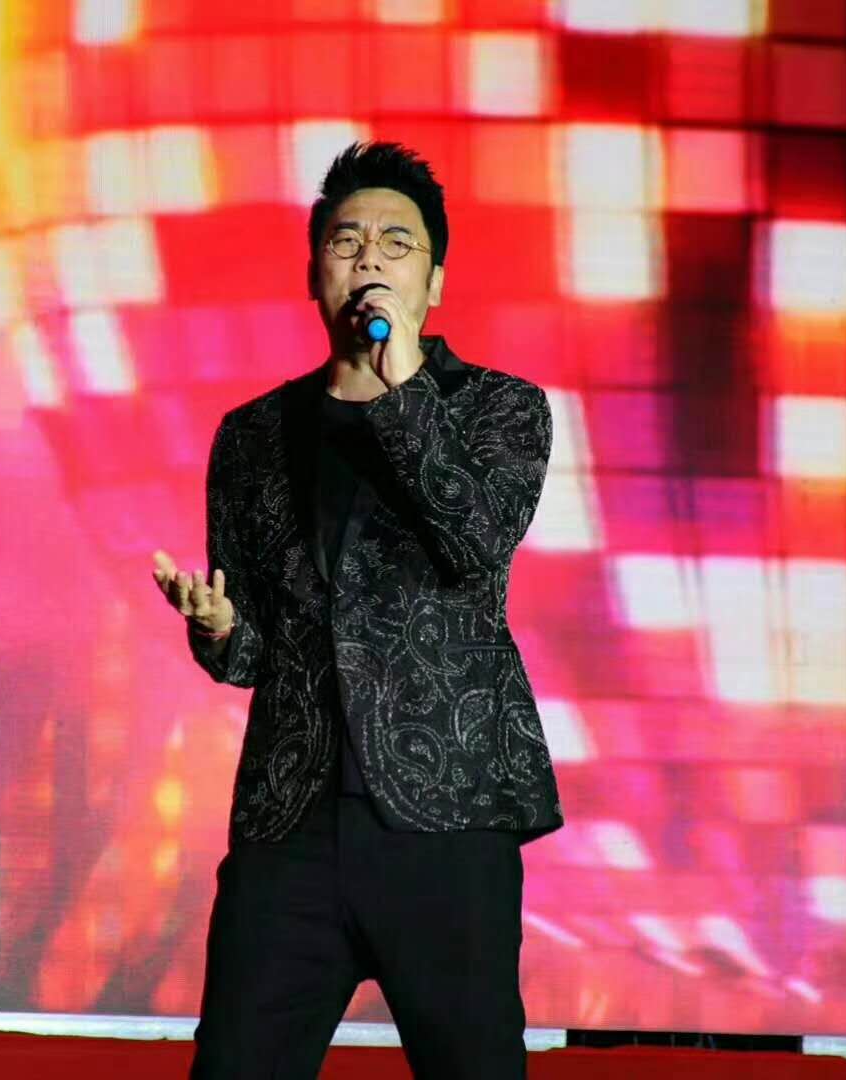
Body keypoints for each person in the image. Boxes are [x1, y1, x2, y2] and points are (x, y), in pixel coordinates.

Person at [150, 141, 562, 1080]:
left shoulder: (501, 409)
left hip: (446, 821)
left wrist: (403, 386)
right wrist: (219, 630)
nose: (369, 257)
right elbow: (255, 649)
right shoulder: (253, 434)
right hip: (290, 824)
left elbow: (474, 540)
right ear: (315, 274)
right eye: (346, 241)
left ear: (435, 282)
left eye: (396, 243)